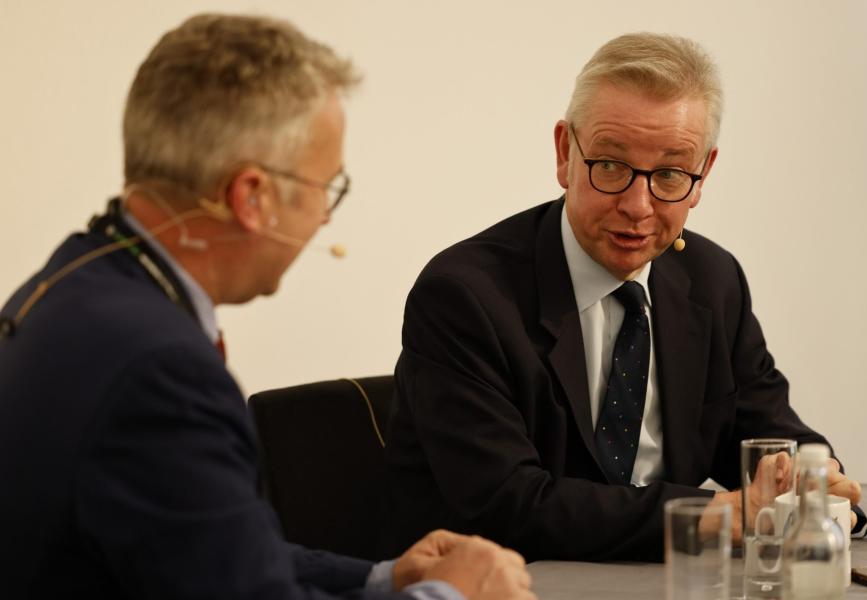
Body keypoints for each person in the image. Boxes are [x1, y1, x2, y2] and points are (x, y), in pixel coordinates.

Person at [0, 14, 534, 600]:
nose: (325, 219)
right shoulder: (161, 372)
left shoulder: (75, 275)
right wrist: (456, 596)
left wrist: (386, 577)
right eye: (326, 188)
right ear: (253, 197)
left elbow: (208, 547)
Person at [382, 32, 863, 562]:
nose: (637, 206)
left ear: (702, 176)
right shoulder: (465, 296)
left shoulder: (711, 279)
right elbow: (509, 505)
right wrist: (713, 515)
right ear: (566, 153)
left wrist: (812, 479)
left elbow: (765, 437)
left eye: (670, 174)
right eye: (610, 166)